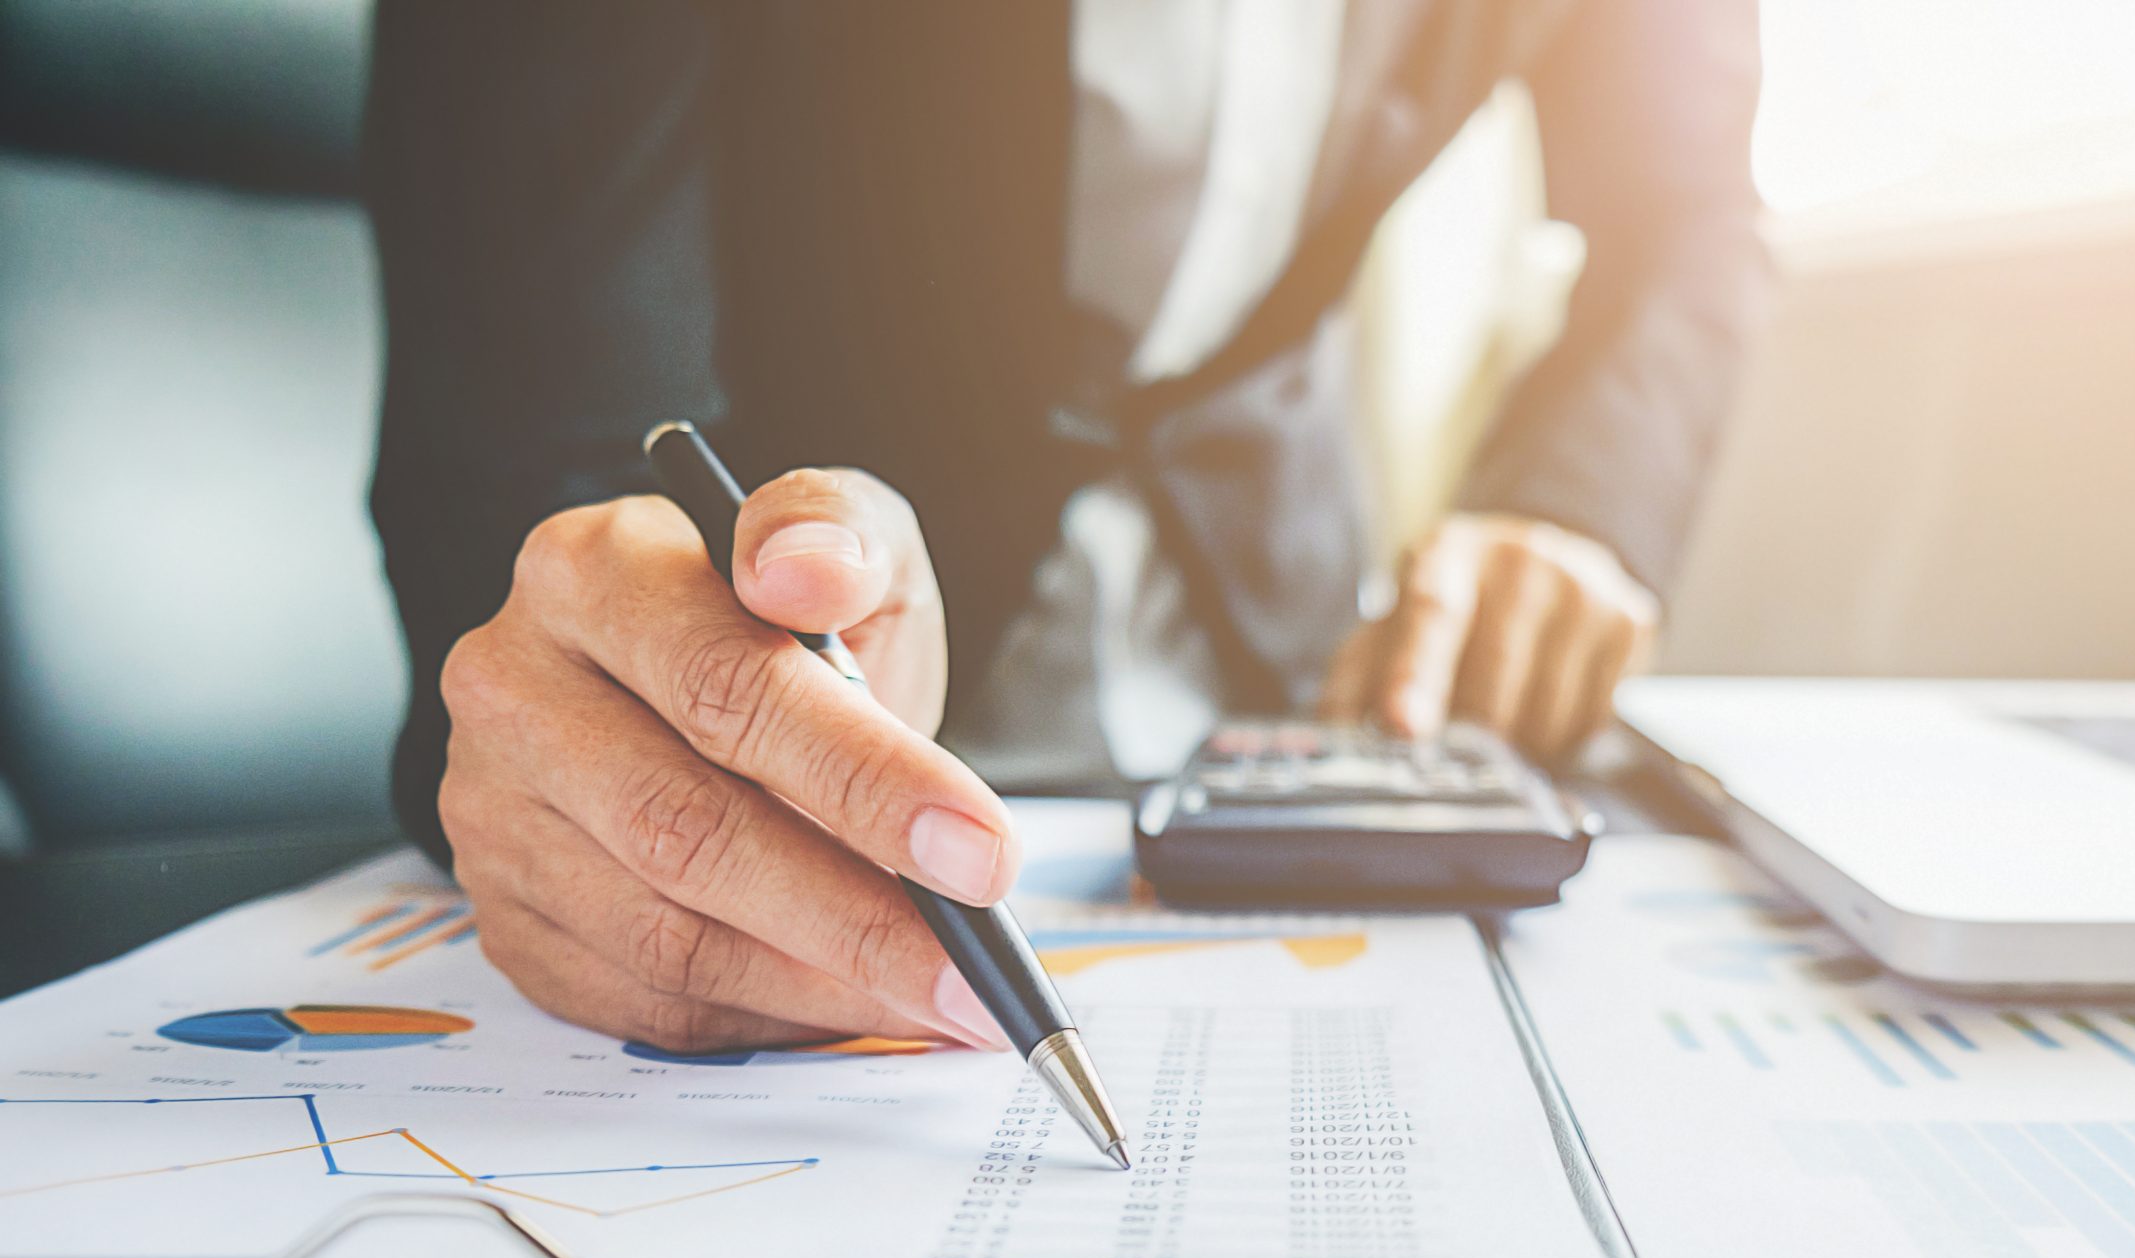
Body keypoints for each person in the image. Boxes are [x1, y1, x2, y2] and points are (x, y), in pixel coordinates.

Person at [363, 0, 1763, 1055]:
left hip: (1293, 698)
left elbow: (1686, 205)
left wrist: (1580, 510)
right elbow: (536, 359)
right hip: (814, 683)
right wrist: (603, 684)